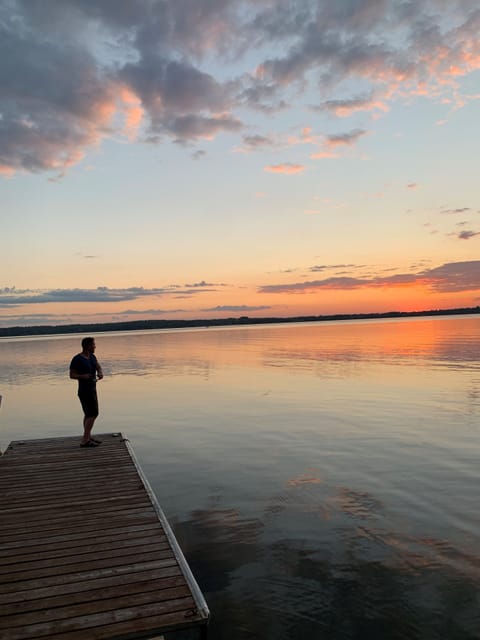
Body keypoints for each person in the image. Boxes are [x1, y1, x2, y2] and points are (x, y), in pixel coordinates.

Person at [70, 337, 104, 447]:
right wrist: (82, 376)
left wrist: (100, 372)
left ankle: (88, 436)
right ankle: (85, 440)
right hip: (84, 391)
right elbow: (72, 375)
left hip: (93, 389)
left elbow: (98, 366)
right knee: (93, 413)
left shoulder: (92, 357)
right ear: (88, 346)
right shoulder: (77, 359)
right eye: (93, 345)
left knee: (88, 414)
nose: (95, 346)